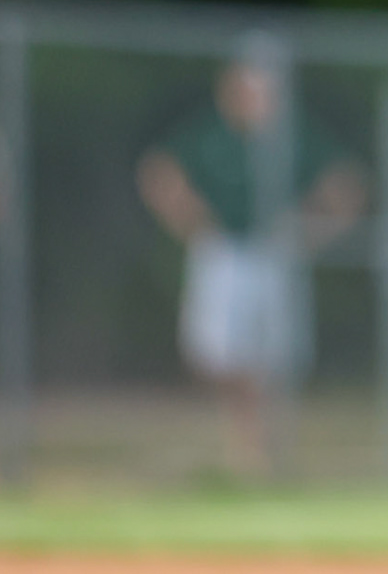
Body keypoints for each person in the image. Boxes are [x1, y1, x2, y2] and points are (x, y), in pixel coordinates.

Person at [137, 58, 364, 477]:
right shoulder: (210, 136)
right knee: (217, 353)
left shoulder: (291, 138)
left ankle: (260, 450)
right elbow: (159, 173)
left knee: (273, 356)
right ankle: (248, 440)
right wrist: (192, 221)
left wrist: (311, 230)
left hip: (272, 254)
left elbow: (346, 186)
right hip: (225, 251)